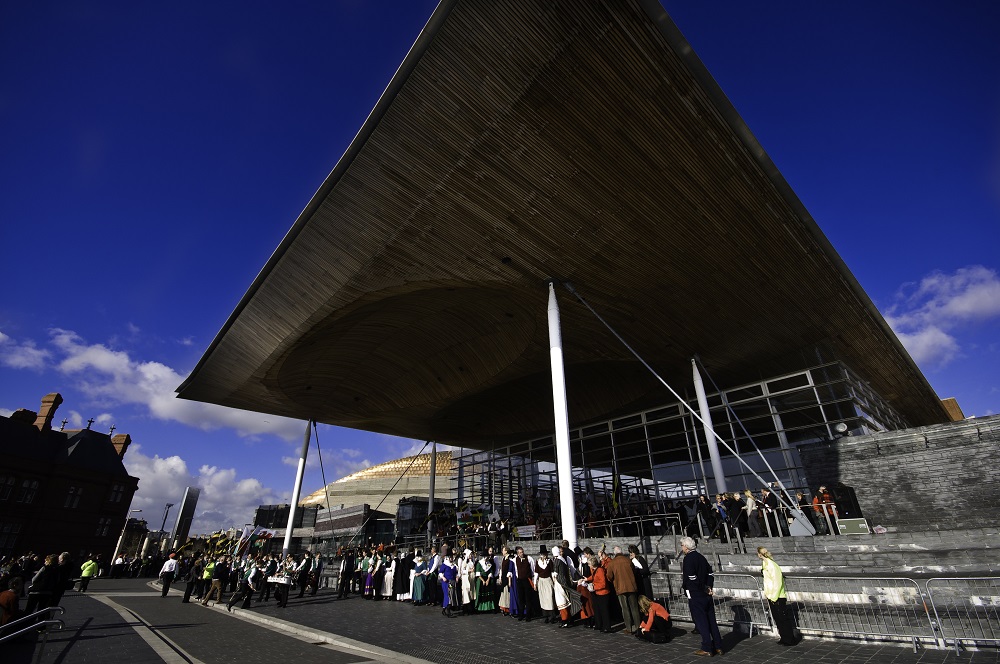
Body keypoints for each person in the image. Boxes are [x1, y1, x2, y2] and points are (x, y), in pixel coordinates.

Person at [680, 536, 724, 656]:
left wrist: (704, 588)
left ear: (686, 547)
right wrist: (709, 586)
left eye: (682, 545)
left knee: (701, 621)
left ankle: (707, 647)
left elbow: (691, 577)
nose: (682, 548)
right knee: (711, 620)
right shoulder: (701, 557)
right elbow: (710, 573)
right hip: (706, 593)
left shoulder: (688, 559)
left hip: (696, 593)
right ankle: (718, 645)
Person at [758, 547, 796, 646]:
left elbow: (777, 582)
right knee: (777, 618)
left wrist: (774, 596)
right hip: (771, 595)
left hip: (778, 596)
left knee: (783, 618)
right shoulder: (765, 564)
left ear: (760, 554)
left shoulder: (771, 565)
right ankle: (783, 637)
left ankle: (790, 639)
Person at [605, 545, 640, 635]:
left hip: (620, 587)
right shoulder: (628, 560)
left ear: (614, 553)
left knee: (625, 608)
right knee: (634, 608)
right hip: (631, 586)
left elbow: (609, 576)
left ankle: (629, 628)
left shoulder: (612, 563)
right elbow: (633, 570)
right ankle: (638, 626)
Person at [587, 551, 612, 633]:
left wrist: (594, 587)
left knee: (604, 610)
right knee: (599, 609)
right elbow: (593, 577)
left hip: (603, 593)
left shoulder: (600, 570)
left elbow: (603, 583)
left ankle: (607, 627)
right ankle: (601, 625)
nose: (588, 565)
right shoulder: (595, 570)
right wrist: (586, 579)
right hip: (598, 592)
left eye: (589, 564)